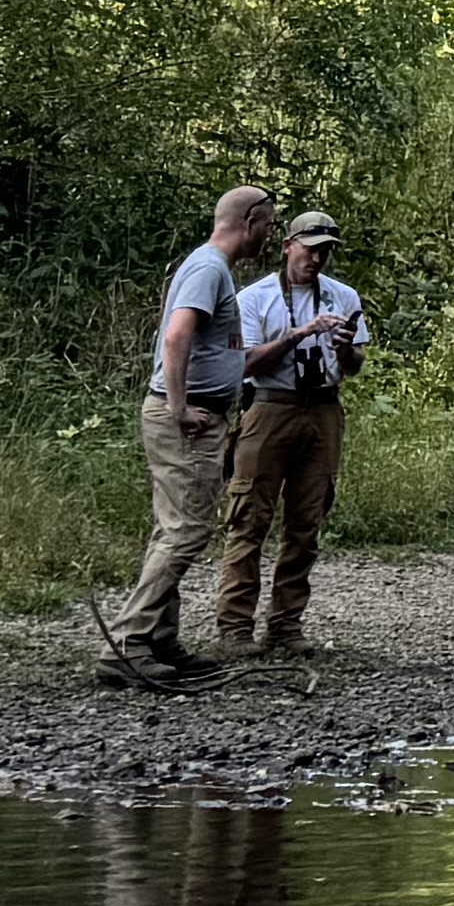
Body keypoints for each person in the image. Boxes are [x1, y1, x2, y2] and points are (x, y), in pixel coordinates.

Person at [118, 184, 274, 672]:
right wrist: (180, 408)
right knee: (186, 531)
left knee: (172, 529)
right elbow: (178, 333)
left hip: (197, 415)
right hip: (187, 420)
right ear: (249, 221)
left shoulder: (213, 269)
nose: (270, 235)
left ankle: (159, 641)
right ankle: (127, 644)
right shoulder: (208, 268)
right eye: (269, 224)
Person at [215, 211, 369, 659]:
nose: (317, 258)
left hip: (322, 410)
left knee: (306, 523)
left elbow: (356, 365)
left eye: (325, 251)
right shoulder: (254, 298)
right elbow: (244, 364)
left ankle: (286, 624)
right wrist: (297, 334)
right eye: (309, 249)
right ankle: (235, 626)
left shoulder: (343, 297)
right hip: (270, 406)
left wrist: (346, 350)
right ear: (288, 247)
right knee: (249, 519)